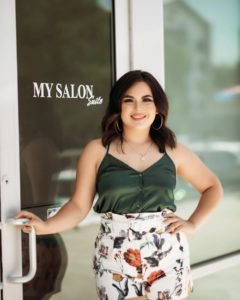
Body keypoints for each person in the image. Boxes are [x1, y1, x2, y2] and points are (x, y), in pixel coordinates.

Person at [15, 70, 224, 300]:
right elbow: (78, 206)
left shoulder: (174, 151)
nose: (138, 108)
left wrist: (193, 223)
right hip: (114, 254)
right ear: (118, 106)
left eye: (147, 100)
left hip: (167, 253)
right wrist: (46, 227)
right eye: (129, 101)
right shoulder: (96, 151)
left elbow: (213, 187)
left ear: (157, 108)